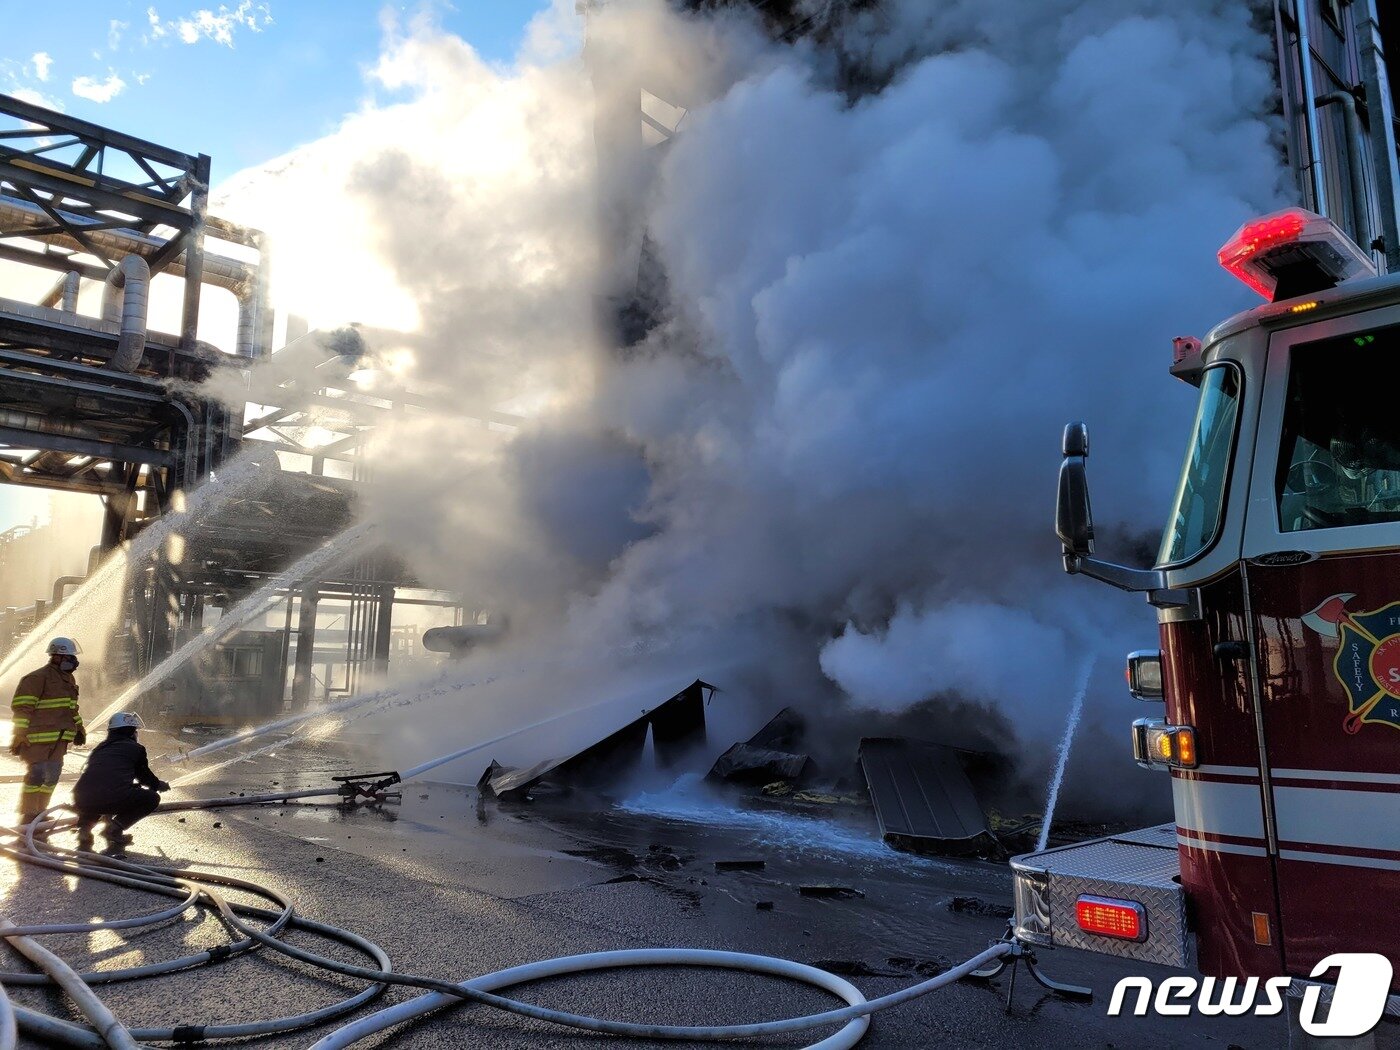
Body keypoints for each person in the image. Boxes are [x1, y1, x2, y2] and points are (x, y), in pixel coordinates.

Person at [9, 637, 85, 829]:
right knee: (37, 775)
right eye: (69, 657)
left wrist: (79, 727)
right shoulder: (36, 678)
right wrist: (20, 733)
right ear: (57, 657)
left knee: (52, 777)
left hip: (59, 739)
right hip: (36, 739)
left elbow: (71, 708)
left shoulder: (68, 679)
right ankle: (28, 815)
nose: (73, 661)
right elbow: (22, 708)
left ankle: (41, 813)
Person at [72, 712, 169, 854]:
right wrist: (159, 785)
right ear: (130, 732)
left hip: (81, 798)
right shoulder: (136, 749)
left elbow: (96, 779)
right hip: (110, 797)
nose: (136, 734)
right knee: (151, 798)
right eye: (135, 731)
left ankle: (84, 830)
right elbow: (144, 777)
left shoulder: (100, 748)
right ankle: (114, 829)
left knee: (95, 795)